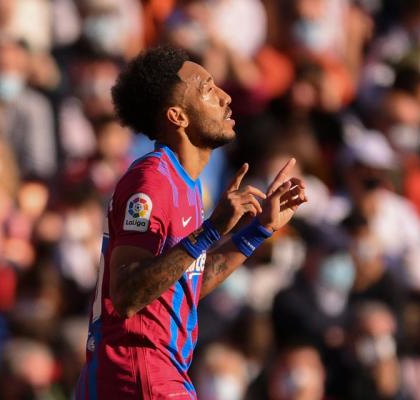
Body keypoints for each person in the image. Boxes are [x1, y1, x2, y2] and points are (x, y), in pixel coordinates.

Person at [75, 46, 307, 399]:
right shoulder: (151, 180)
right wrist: (210, 230)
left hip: (158, 371)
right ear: (177, 117)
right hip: (138, 373)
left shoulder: (188, 184)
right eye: (207, 89)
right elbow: (125, 296)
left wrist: (258, 230)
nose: (226, 96)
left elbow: (184, 286)